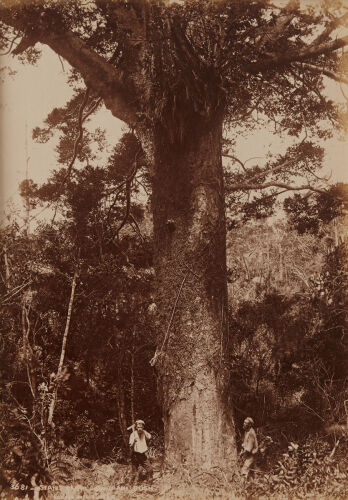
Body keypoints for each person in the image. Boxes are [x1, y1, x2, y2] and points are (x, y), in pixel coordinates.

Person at [128, 419, 152, 483]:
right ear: (136, 427)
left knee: (150, 469)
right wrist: (133, 442)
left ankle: (149, 481)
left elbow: (149, 437)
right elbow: (130, 446)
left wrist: (145, 432)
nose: (139, 429)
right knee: (135, 471)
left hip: (142, 454)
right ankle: (132, 484)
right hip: (135, 454)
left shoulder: (144, 432)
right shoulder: (133, 434)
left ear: (143, 427)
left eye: (141, 427)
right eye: (138, 427)